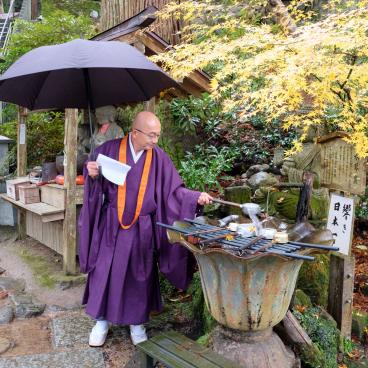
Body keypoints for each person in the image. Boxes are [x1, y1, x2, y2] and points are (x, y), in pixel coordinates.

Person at [79, 111, 212, 347]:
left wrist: (195, 197)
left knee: (139, 275)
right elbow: (94, 184)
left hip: (142, 229)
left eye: (157, 136)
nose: (155, 141)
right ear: (135, 132)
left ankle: (137, 323)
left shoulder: (158, 157)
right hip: (111, 224)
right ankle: (101, 322)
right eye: (151, 135)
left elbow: (174, 192)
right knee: (104, 271)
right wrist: (91, 173)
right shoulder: (108, 150)